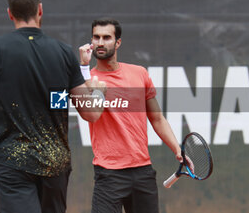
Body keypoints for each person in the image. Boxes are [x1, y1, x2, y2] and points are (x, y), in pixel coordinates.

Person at [0, 0, 105, 213]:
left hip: (13, 164)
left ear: (10, 13)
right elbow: (91, 114)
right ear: (40, 10)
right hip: (55, 165)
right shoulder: (63, 52)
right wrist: (98, 91)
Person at [78, 18, 183, 213]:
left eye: (107, 37)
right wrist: (84, 69)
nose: (100, 42)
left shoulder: (139, 74)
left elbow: (157, 119)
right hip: (108, 173)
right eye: (96, 37)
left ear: (118, 42)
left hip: (142, 171)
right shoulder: (86, 79)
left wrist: (177, 148)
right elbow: (89, 113)